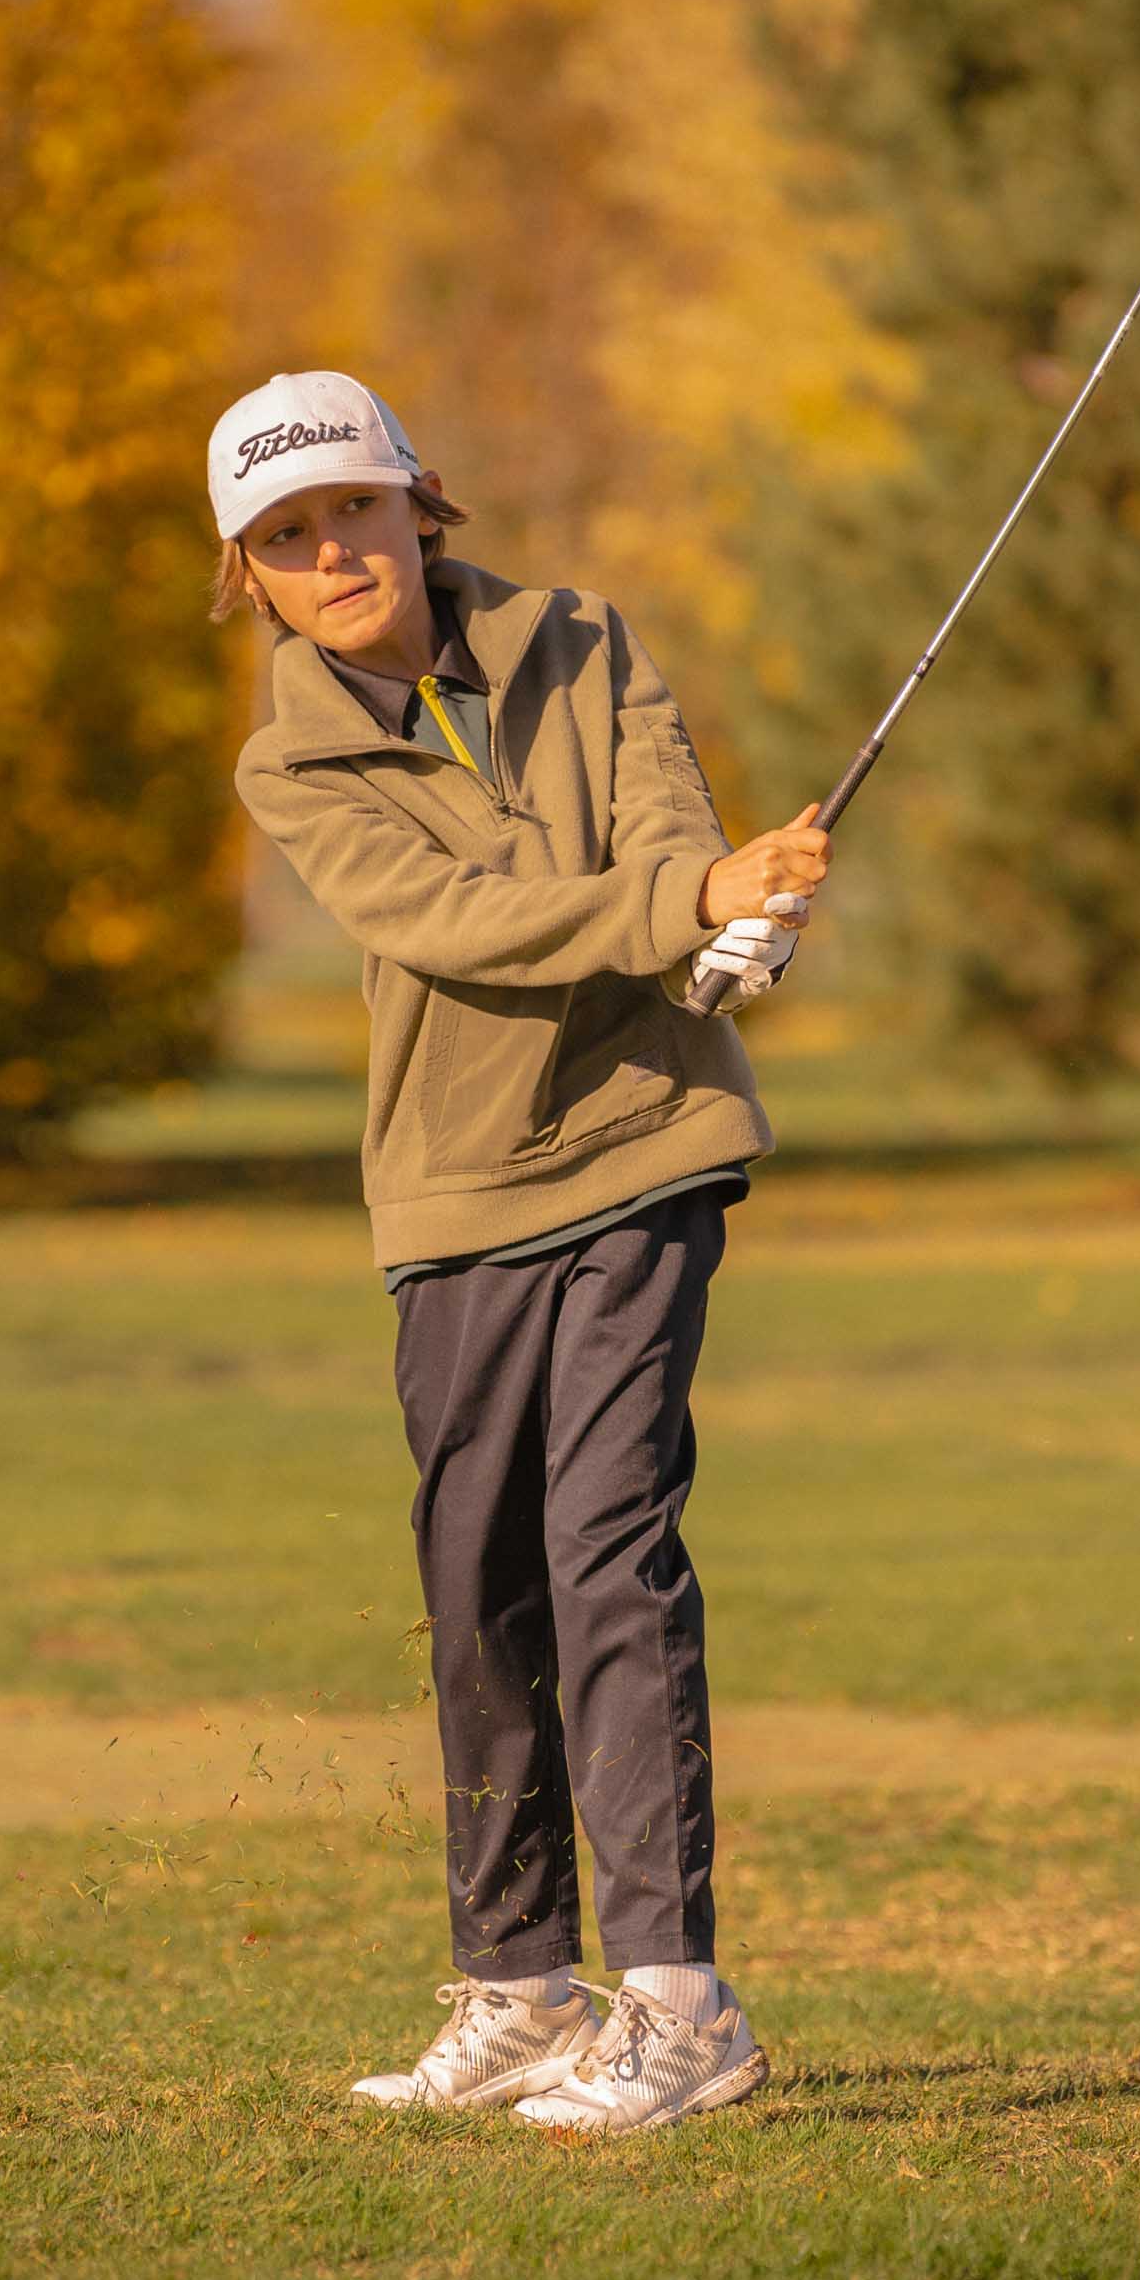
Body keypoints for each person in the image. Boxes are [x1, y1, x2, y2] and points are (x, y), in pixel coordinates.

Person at [215, 370, 831, 2136]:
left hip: (645, 1145)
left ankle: (679, 2004)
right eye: (285, 536)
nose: (332, 553)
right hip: (455, 1193)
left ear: (420, 500)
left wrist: (727, 930)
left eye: (352, 508)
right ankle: (522, 1988)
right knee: (478, 1585)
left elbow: (665, 835)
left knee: (605, 1549)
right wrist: (689, 906)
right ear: (247, 577)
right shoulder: (290, 762)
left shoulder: (580, 638)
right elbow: (456, 922)